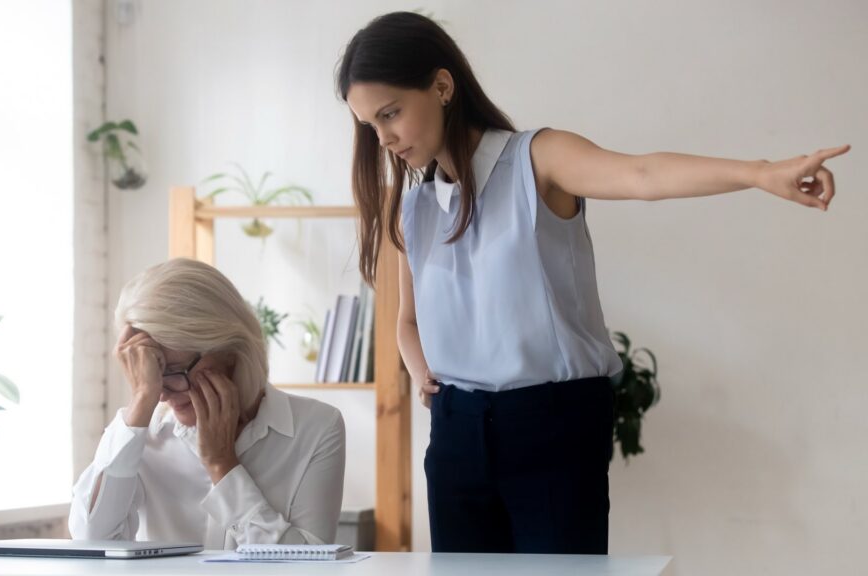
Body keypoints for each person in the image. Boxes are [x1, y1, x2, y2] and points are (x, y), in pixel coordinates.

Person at [336, 11, 849, 554]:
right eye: (370, 125)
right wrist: (423, 375)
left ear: (442, 86)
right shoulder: (413, 209)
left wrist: (759, 173)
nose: (384, 138)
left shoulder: (536, 160)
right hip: (456, 435)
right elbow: (408, 321)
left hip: (552, 425)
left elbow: (642, 175)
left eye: (390, 113)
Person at [69, 258, 346, 548]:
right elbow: (91, 541)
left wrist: (222, 465)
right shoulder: (143, 434)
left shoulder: (317, 428)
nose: (161, 394)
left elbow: (310, 563)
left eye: (174, 371)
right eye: (150, 373)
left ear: (229, 351)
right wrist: (140, 403)